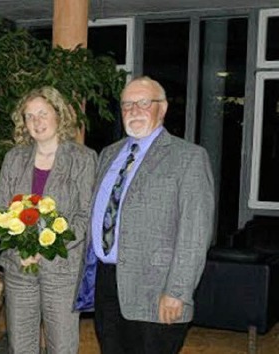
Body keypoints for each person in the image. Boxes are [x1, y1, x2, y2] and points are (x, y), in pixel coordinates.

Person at [74, 76, 215, 353]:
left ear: (162, 109)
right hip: (107, 285)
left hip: (157, 287)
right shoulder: (108, 154)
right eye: (127, 105)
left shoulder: (188, 157)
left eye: (143, 103)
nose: (134, 111)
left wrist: (178, 291)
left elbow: (195, 234)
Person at [0, 86, 97, 354]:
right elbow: (2, 213)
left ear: (59, 114)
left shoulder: (83, 159)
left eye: (43, 113)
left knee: (62, 346)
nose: (36, 122)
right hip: (20, 267)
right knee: (20, 346)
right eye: (29, 116)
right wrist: (23, 249)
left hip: (62, 268)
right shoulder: (14, 158)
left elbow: (84, 216)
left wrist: (45, 247)